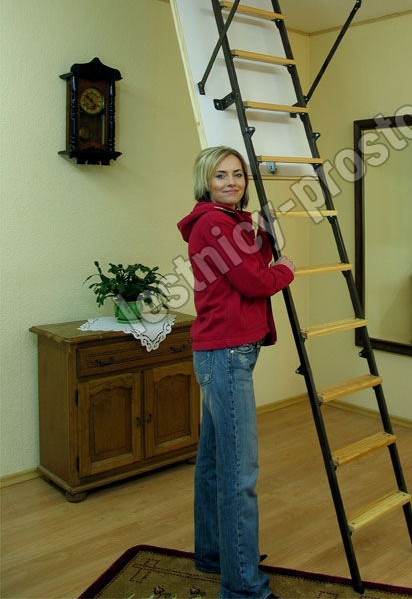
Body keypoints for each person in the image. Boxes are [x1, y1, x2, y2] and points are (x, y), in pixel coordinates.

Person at [178, 145, 295, 599]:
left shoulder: (225, 223)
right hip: (226, 355)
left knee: (213, 464)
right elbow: (254, 280)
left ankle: (214, 554)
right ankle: (244, 587)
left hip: (223, 353)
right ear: (205, 181)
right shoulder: (214, 223)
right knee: (239, 473)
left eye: (238, 175)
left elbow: (248, 262)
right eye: (220, 175)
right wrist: (286, 270)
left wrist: (262, 234)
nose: (231, 182)